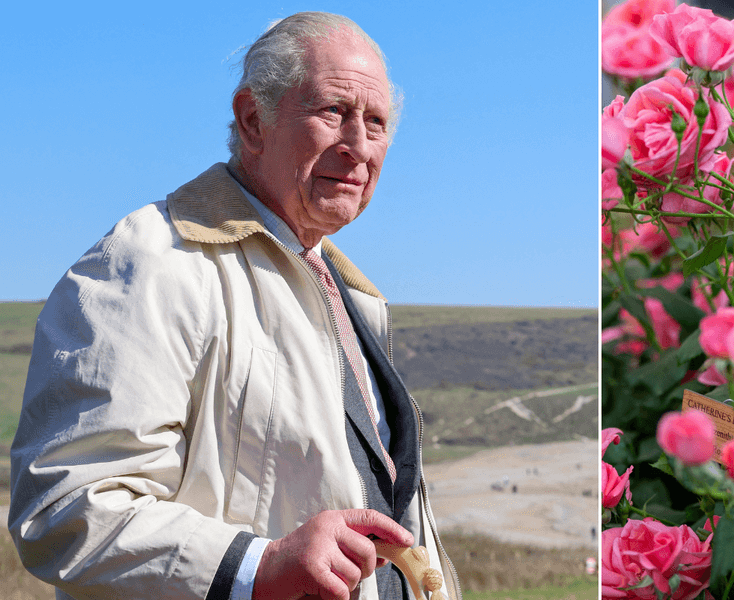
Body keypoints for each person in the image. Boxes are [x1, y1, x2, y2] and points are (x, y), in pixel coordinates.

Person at [8, 12, 459, 600]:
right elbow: (65, 509)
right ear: (253, 120)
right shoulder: (153, 260)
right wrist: (259, 565)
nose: (357, 146)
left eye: (375, 123)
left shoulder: (352, 295)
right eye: (333, 112)